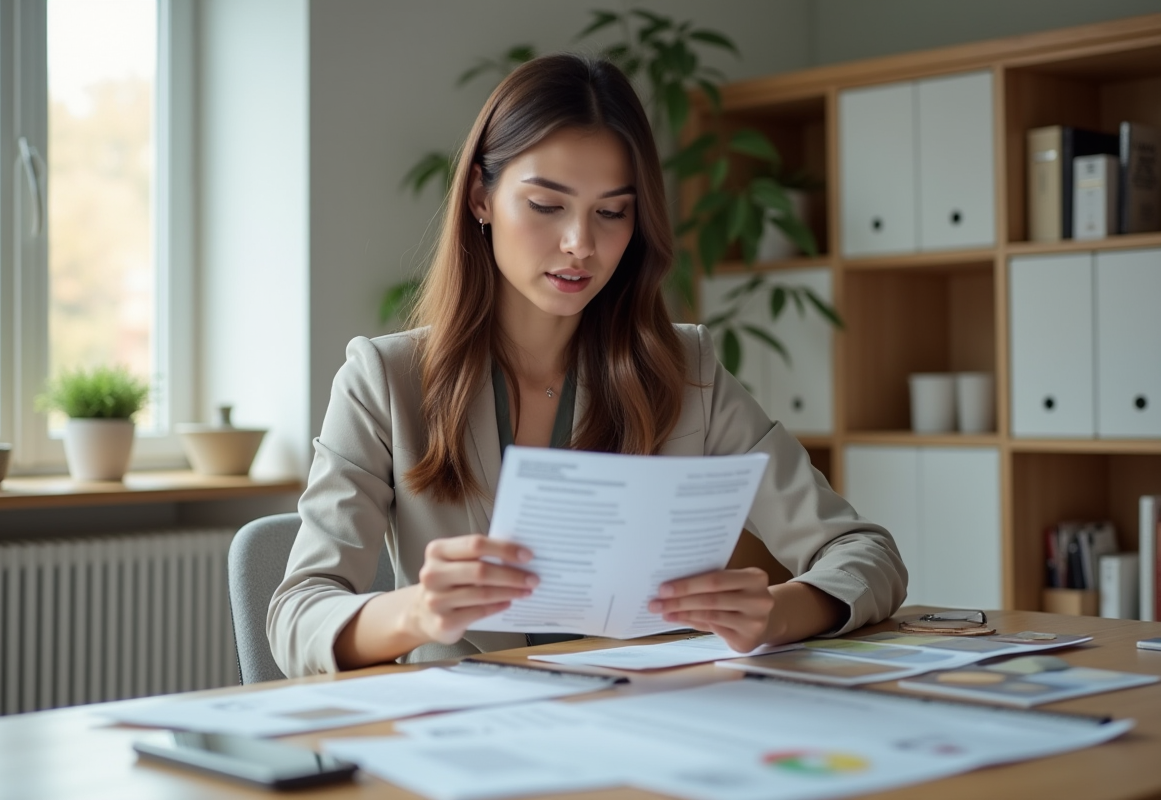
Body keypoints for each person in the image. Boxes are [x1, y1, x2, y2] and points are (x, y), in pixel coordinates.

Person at [268, 54, 907, 677]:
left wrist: (777, 611)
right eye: (547, 205)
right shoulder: (384, 381)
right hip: (469, 744)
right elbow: (297, 616)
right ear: (480, 198)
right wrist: (417, 613)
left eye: (611, 211)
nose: (581, 242)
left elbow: (866, 554)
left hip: (652, 729)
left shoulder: (688, 370)